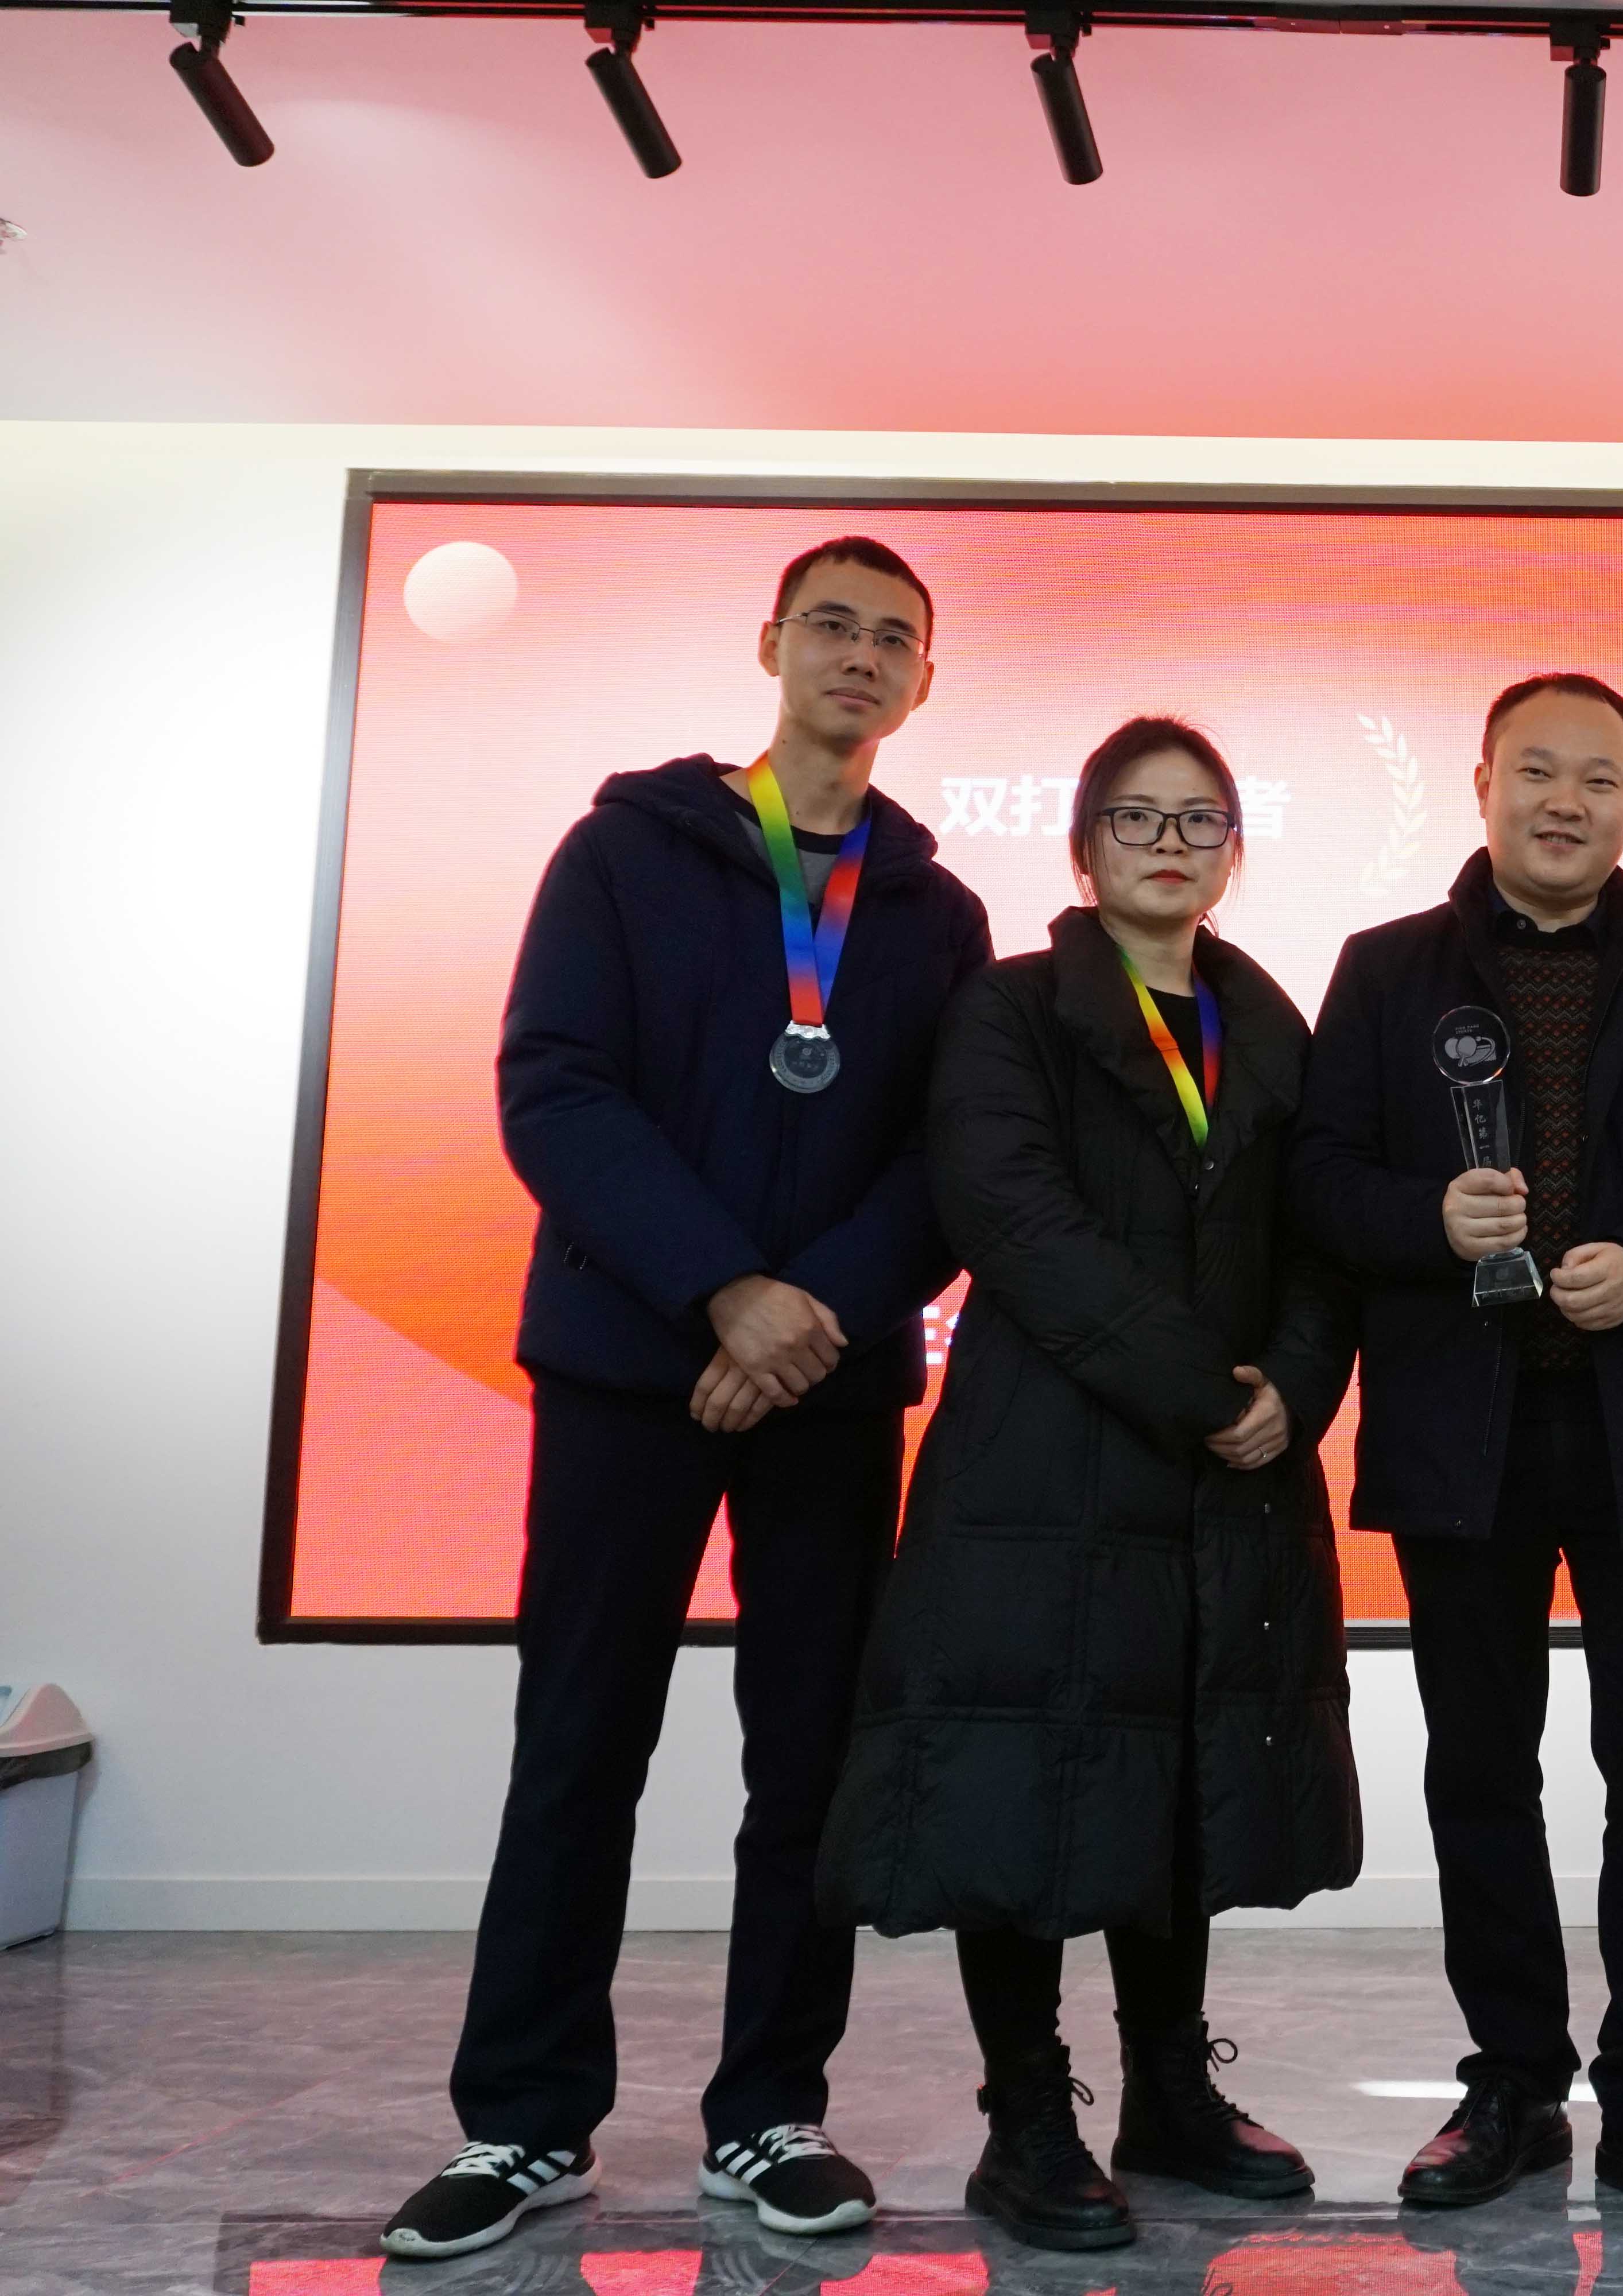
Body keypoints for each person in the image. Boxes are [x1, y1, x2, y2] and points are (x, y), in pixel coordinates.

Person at [384, 538, 994, 2260]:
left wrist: (810, 1313)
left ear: (924, 683)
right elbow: (555, 1087)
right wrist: (725, 1288)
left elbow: (946, 1160)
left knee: (809, 1758)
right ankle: (523, 2121)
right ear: (771, 645)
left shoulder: (938, 914)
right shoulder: (623, 853)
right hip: (626, 1366)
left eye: (894, 638)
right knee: (580, 1740)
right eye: (832, 626)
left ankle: (770, 2112)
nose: (861, 656)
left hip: (830, 1386)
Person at [815, 718, 1362, 2251]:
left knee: (1177, 1773)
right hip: (1042, 1460)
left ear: (1235, 851)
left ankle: (1169, 2092)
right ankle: (1028, 2118)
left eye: (1199, 820)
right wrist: (1210, 1392)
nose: (1169, 843)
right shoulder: (1008, 1010)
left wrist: (1295, 1387)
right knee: (1019, 1777)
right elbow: (1014, 1220)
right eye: (1136, 816)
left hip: (1225, 1473)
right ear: (1081, 845)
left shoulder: (1270, 1022)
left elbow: (1323, 1237)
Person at [1290, 673, 1623, 2230]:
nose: (1567, 802)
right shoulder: (1384, 970)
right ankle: (1510, 2080)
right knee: (1479, 1772)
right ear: (1484, 783)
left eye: (1601, 779)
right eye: (1539, 772)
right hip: (1466, 1431)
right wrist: (1427, 1221)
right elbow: (1318, 1179)